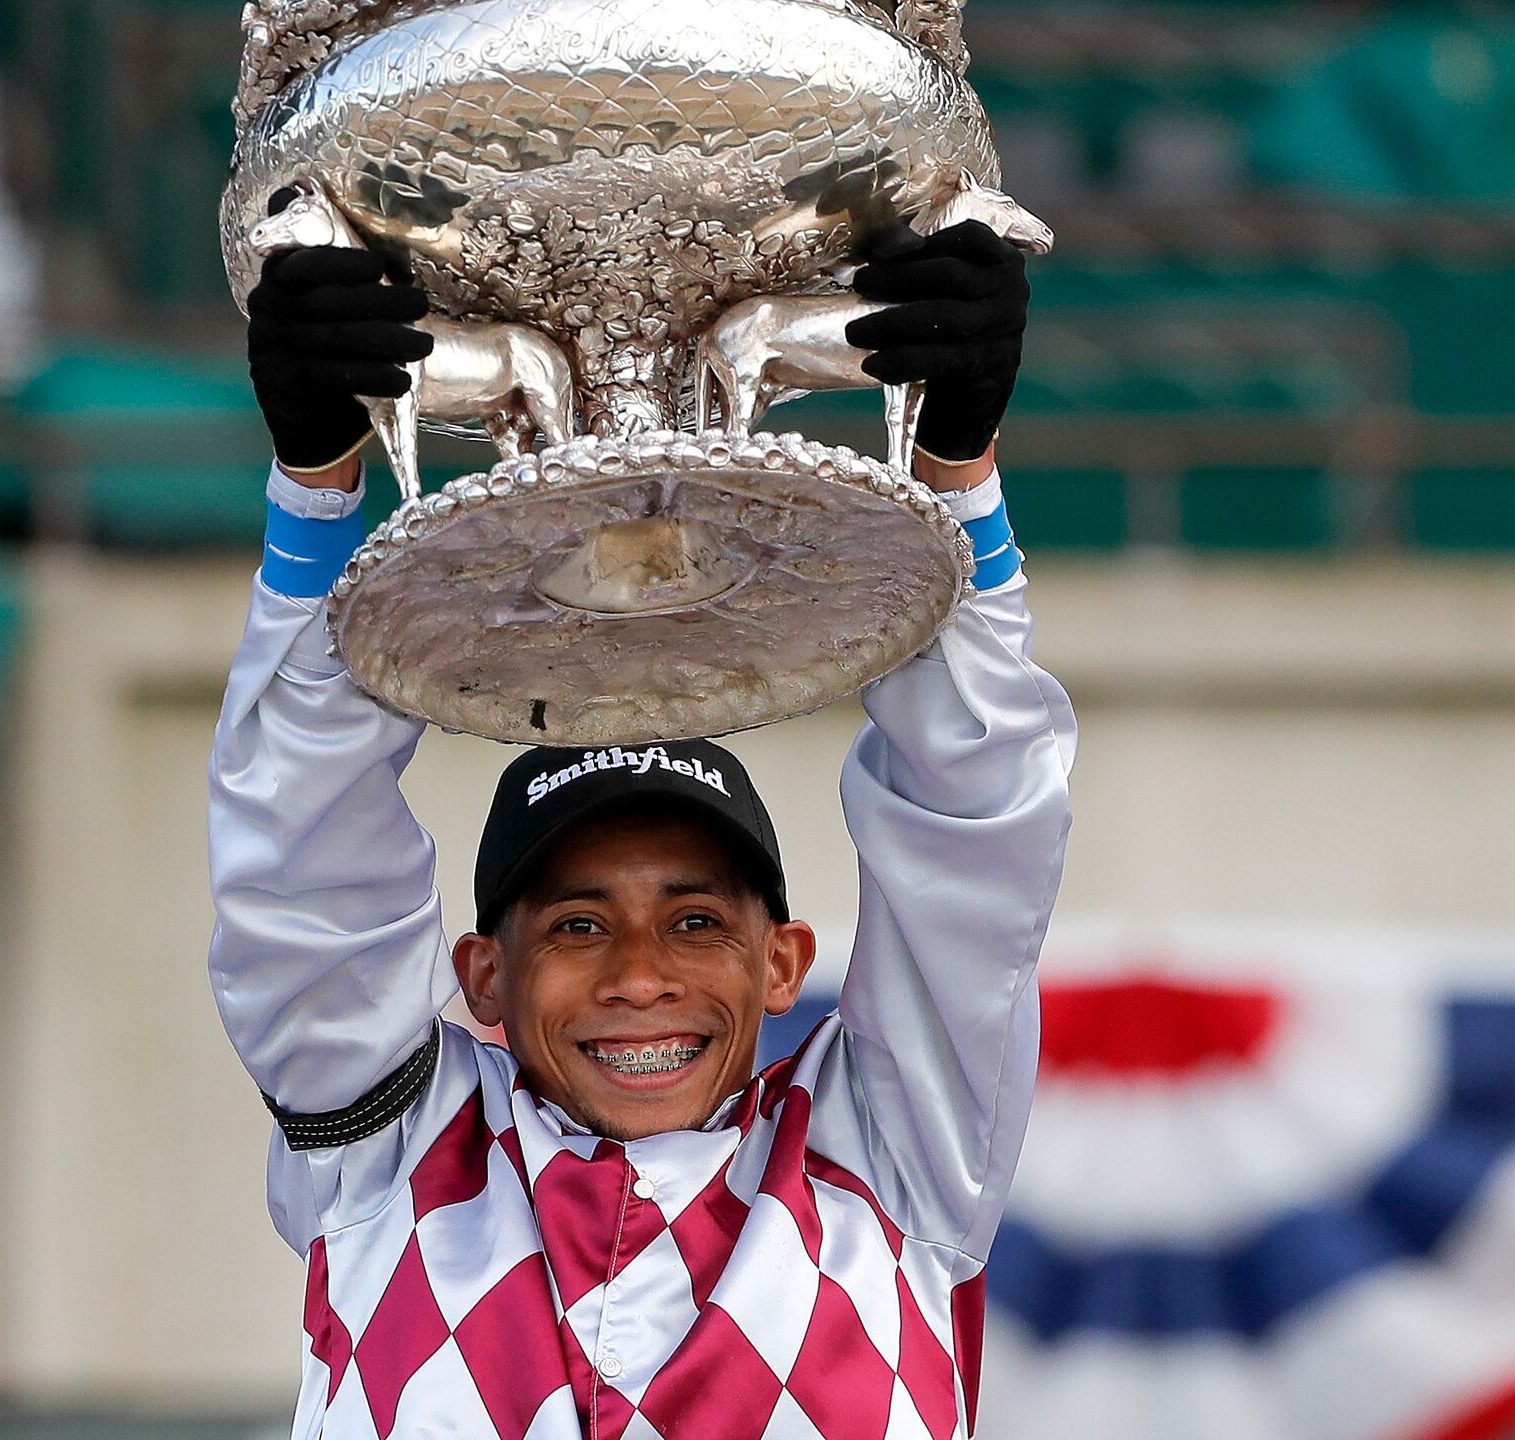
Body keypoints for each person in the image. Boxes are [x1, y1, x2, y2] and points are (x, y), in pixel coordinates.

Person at [211, 218, 1076, 1440]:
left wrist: (956, 470)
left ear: (782, 961)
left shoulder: (892, 1159)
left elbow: (978, 838)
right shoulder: (395, 1157)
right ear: (482, 975)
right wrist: (314, 482)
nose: (638, 978)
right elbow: (300, 873)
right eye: (575, 924)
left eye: (695, 921)